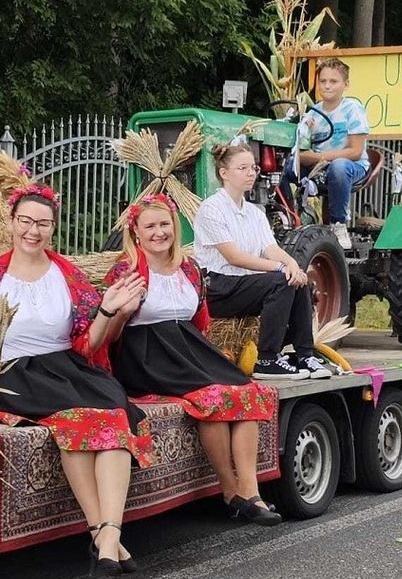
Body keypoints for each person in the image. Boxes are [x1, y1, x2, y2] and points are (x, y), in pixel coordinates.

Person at [0, 183, 153, 577]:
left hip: (68, 369)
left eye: (43, 224)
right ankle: (108, 541)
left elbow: (88, 344)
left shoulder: (69, 275)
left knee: (112, 419)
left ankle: (106, 536)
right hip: (19, 376)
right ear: (12, 222)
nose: (34, 231)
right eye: (26, 221)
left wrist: (107, 311)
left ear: (53, 228)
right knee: (83, 424)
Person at [103, 194, 281, 525]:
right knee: (211, 397)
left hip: (187, 348)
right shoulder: (126, 270)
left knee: (247, 390)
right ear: (136, 232)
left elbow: (200, 321)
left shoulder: (188, 268)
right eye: (150, 226)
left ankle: (251, 491)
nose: (159, 232)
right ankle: (230, 492)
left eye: (165, 224)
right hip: (147, 354)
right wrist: (123, 312)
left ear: (175, 227)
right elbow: (109, 336)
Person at [194, 140, 332, 381]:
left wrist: (292, 265)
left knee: (294, 279)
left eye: (254, 168)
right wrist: (280, 269)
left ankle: (305, 354)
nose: (251, 173)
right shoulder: (211, 209)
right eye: (243, 168)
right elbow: (234, 257)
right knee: (281, 280)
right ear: (223, 173)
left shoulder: (255, 213)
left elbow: (270, 249)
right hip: (216, 287)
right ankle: (266, 360)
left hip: (243, 286)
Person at [282, 57, 371, 250]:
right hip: (318, 167)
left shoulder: (352, 109)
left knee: (338, 166)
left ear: (345, 84)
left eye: (333, 81)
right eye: (323, 81)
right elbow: (303, 146)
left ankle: (338, 224)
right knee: (283, 167)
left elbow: (355, 152)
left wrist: (318, 157)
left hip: (350, 166)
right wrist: (302, 155)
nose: (327, 86)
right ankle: (287, 218)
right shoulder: (313, 112)